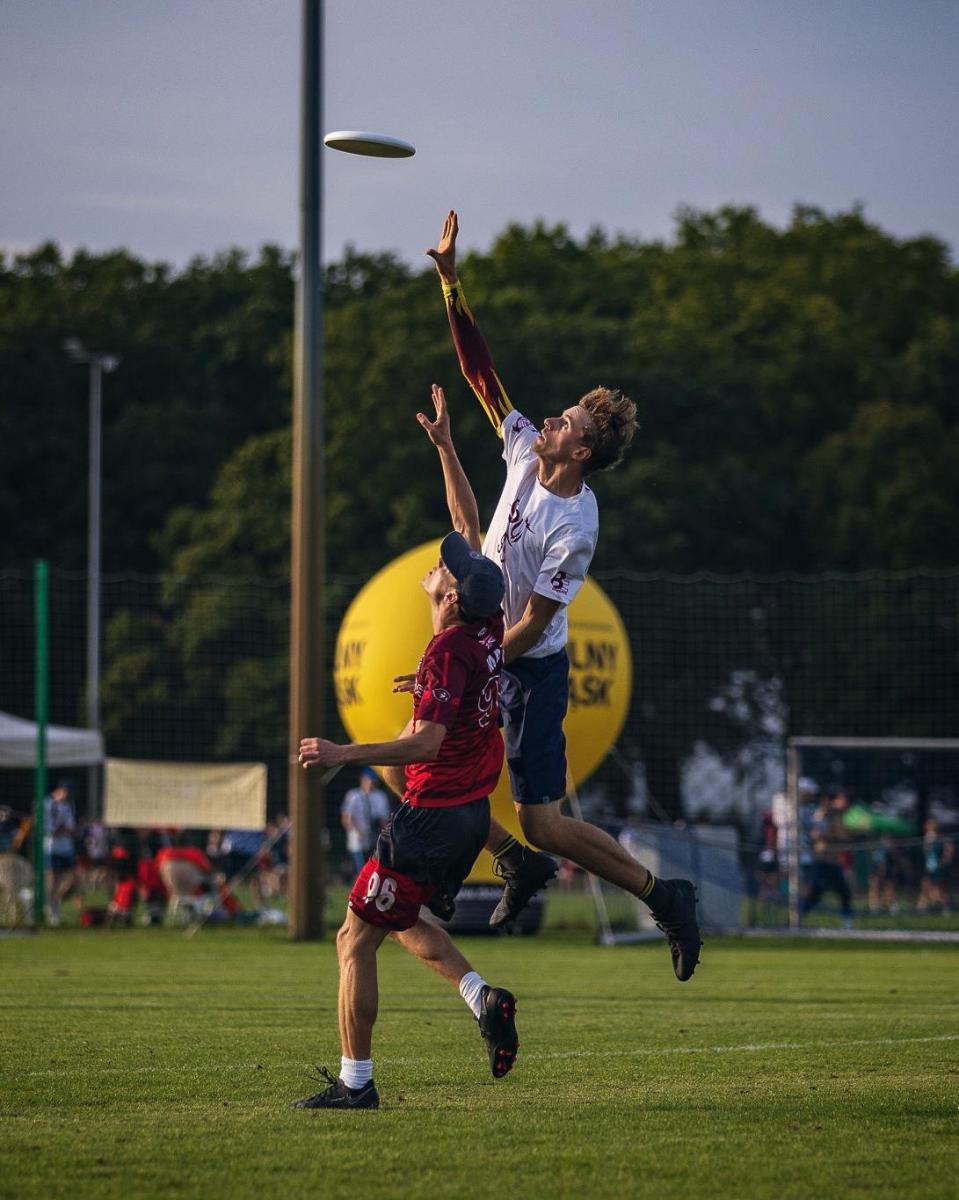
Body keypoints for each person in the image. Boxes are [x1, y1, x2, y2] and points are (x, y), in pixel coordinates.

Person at [418, 210, 702, 980]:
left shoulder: (574, 525)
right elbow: (481, 375)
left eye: (564, 420)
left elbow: (532, 624)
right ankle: (499, 864)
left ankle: (662, 895)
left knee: (542, 822)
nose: (546, 418)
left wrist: (472, 662)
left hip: (530, 671)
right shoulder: (521, 449)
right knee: (427, 752)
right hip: (489, 649)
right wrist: (451, 284)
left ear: (579, 449)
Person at [292, 532, 519, 1111]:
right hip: (469, 813)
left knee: (352, 939)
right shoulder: (489, 627)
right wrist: (428, 674)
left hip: (429, 819)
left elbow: (425, 744)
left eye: (450, 570)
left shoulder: (447, 651)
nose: (442, 566)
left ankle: (356, 1083)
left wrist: (342, 753)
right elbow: (457, 669)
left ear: (453, 599)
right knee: (394, 919)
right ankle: (482, 998)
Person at [340, 769, 391, 875]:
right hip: (358, 837)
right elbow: (346, 818)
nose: (370, 783)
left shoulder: (381, 796)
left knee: (374, 866)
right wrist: (357, 831)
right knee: (361, 868)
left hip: (375, 837)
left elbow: (384, 820)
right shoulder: (353, 795)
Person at [43, 780, 77, 926]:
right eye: (65, 791)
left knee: (70, 880)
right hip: (51, 848)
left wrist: (63, 830)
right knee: (52, 879)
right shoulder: (47, 804)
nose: (67, 795)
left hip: (66, 848)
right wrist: (62, 830)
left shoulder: (69, 805)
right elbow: (51, 830)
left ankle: (55, 902)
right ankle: (50, 908)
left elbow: (71, 828)